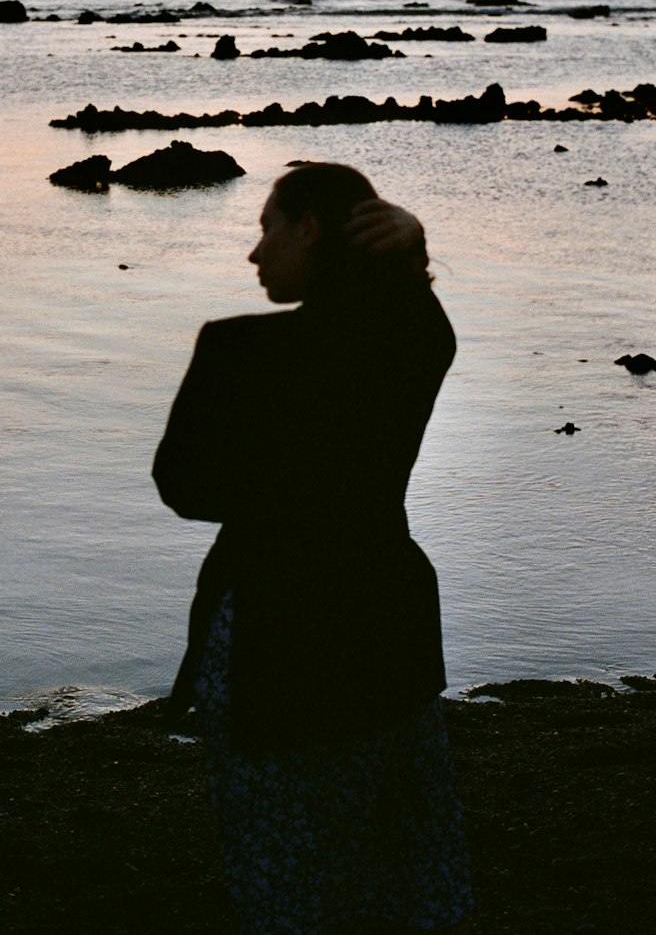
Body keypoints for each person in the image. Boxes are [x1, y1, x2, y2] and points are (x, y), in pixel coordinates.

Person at [153, 164, 472, 934]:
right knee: (403, 850)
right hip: (384, 616)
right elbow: (418, 319)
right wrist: (412, 249)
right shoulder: (413, 337)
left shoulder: (234, 349)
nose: (254, 253)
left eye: (266, 227)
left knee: (282, 855)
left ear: (309, 229)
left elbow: (184, 486)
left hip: (273, 626)